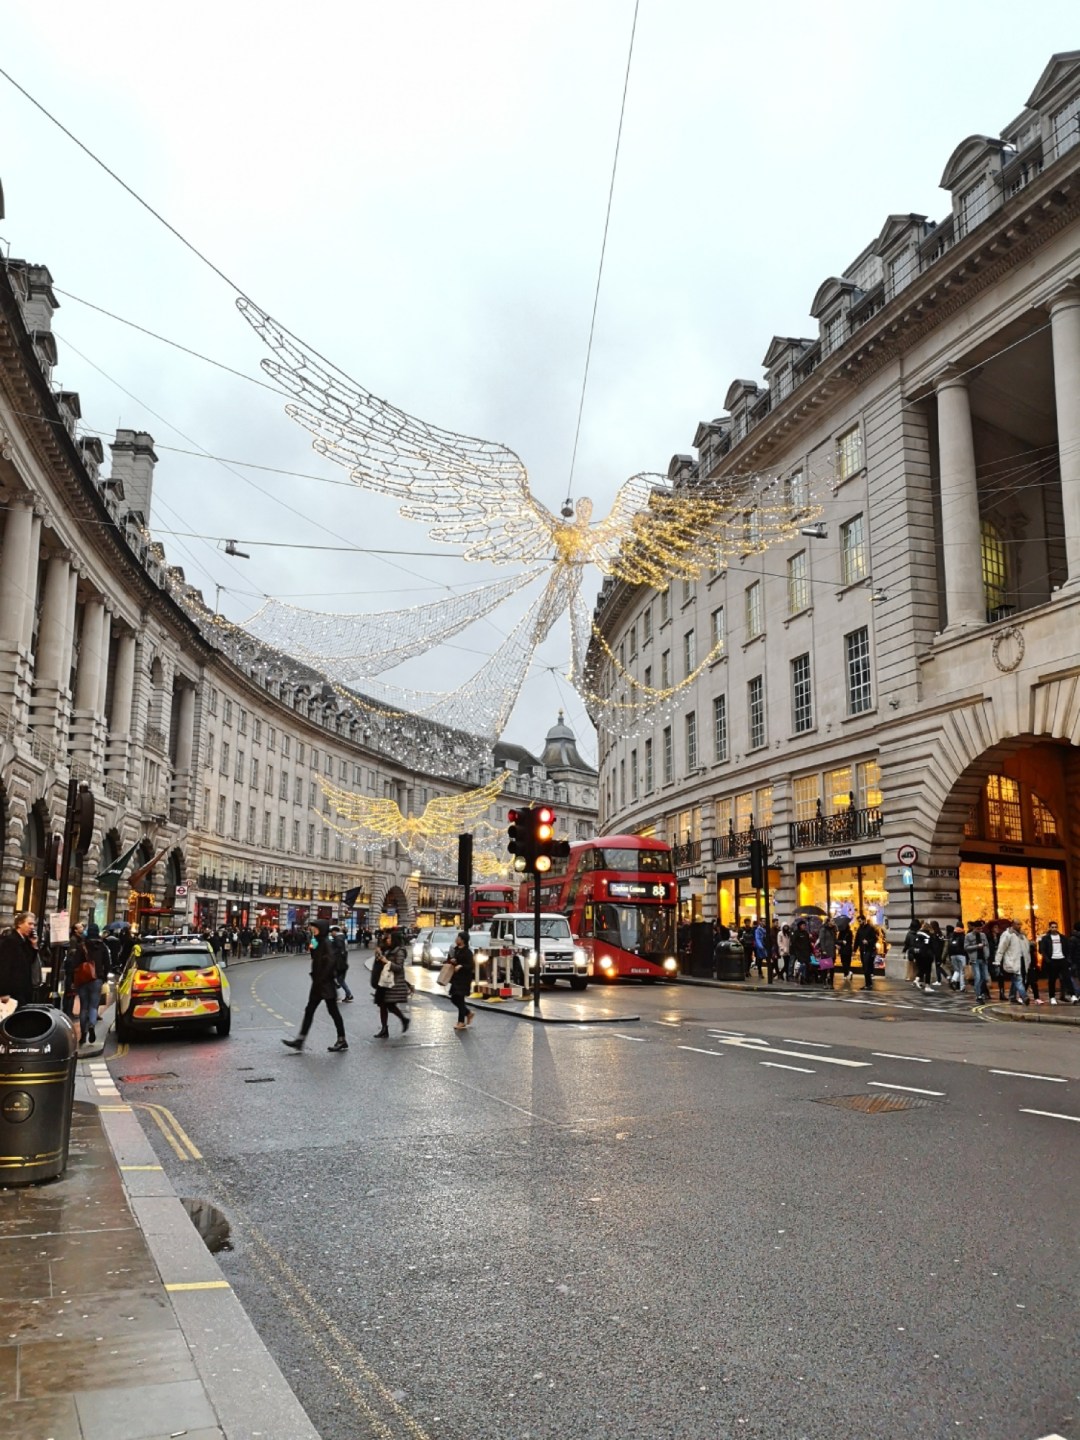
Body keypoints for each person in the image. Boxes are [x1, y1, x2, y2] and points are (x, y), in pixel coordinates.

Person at [282, 921, 348, 1051]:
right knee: (310, 1011)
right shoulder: (320, 942)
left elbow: (330, 962)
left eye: (316, 928)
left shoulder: (326, 943)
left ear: (321, 929)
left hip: (325, 985)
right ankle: (300, 1040)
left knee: (333, 1012)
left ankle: (341, 1039)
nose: (313, 930)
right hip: (319, 985)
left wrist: (321, 978)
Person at [74, 924, 110, 1045]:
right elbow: (108, 963)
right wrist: (104, 976)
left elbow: (75, 963)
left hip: (83, 980)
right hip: (97, 979)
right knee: (93, 1006)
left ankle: (83, 1035)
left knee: (83, 1007)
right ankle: (91, 1025)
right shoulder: (102, 946)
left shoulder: (82, 946)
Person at [0, 911, 39, 1011]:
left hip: (23, 989)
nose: (32, 927)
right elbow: (4, 967)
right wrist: (3, 992)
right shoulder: (10, 941)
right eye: (29, 924)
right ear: (19, 924)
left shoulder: (25, 941)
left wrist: (34, 945)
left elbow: (29, 961)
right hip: (13, 991)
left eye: (34, 924)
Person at [373, 945, 411, 1037]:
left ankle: (403, 1020)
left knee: (388, 1005)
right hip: (383, 981)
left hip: (392, 983)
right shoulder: (387, 949)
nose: (387, 940)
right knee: (383, 1005)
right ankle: (385, 1028)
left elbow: (399, 967)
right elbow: (380, 962)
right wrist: (378, 954)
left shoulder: (399, 951)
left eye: (389, 938)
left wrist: (387, 962)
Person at [1039, 921, 1077, 1004]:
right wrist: (1047, 960)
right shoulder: (1046, 938)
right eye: (1052, 927)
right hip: (1052, 961)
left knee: (1067, 978)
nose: (1054, 929)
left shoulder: (1063, 937)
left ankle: (1073, 995)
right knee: (1052, 980)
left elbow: (1068, 949)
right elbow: (1042, 950)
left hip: (1062, 960)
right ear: (1049, 928)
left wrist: (1067, 959)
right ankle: (1052, 997)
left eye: (1055, 927)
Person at [995, 919, 1028, 1005]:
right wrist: (997, 961)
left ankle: (1012, 997)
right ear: (1012, 924)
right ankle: (1024, 996)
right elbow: (1001, 948)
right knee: (1018, 979)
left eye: (1020, 924)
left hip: (1022, 960)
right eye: (1017, 924)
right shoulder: (1007, 934)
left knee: (1016, 979)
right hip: (1012, 960)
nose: (1019, 926)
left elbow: (1025, 948)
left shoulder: (1021, 935)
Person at [447, 931, 475, 1030]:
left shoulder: (468, 952)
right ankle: (468, 1013)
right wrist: (452, 961)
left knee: (460, 999)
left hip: (464, 979)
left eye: (458, 937)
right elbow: (449, 959)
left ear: (463, 940)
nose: (456, 939)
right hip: (456, 978)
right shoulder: (456, 950)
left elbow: (471, 965)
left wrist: (461, 966)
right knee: (454, 998)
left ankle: (461, 1022)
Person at [964, 921, 992, 1003]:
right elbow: (966, 947)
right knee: (978, 977)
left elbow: (987, 945)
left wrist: (987, 955)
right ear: (974, 928)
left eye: (981, 929)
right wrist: (977, 946)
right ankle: (978, 995)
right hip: (975, 959)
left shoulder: (983, 935)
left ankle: (981, 991)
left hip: (983, 959)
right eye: (978, 929)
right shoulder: (968, 936)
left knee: (985, 977)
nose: (980, 930)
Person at [853, 914, 878, 990]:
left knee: (867, 967)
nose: (859, 922)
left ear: (864, 920)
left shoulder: (870, 928)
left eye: (860, 921)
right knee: (864, 967)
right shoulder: (859, 929)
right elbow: (857, 939)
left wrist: (868, 942)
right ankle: (868, 983)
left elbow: (875, 939)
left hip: (869, 950)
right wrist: (854, 950)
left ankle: (868, 984)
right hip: (862, 950)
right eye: (858, 921)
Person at [329, 925, 353, 1002]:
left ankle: (338, 995)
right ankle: (348, 995)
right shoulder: (343, 938)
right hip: (343, 963)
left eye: (331, 932)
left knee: (334, 979)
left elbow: (338, 951)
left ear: (334, 931)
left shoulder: (338, 939)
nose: (331, 934)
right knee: (340, 980)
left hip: (339, 964)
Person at [816, 918, 837, 987]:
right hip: (826, 951)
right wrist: (823, 950)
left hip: (832, 951)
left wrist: (839, 943)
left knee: (832, 968)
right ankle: (824, 982)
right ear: (828, 922)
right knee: (825, 967)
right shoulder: (823, 929)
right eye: (832, 921)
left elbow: (835, 940)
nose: (833, 922)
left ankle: (831, 983)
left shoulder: (833, 930)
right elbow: (821, 940)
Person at [791, 919, 813, 984]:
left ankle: (806, 978)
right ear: (800, 926)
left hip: (806, 952)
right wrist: (797, 950)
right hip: (800, 952)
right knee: (803, 965)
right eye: (803, 925)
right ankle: (801, 976)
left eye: (805, 925)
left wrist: (810, 950)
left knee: (807, 965)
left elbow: (808, 942)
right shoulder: (796, 933)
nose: (804, 926)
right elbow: (794, 942)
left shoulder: (806, 933)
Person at [946, 923, 966, 992]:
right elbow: (965, 946)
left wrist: (949, 956)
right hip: (961, 955)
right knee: (962, 971)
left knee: (956, 970)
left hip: (952, 955)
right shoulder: (963, 935)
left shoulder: (952, 935)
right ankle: (962, 987)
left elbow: (948, 947)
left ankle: (953, 980)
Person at [836, 913, 853, 983]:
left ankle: (847, 973)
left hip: (843, 949)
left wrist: (840, 942)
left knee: (844, 962)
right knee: (847, 962)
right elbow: (850, 941)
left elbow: (838, 940)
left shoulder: (842, 932)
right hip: (848, 949)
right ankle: (846, 973)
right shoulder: (850, 932)